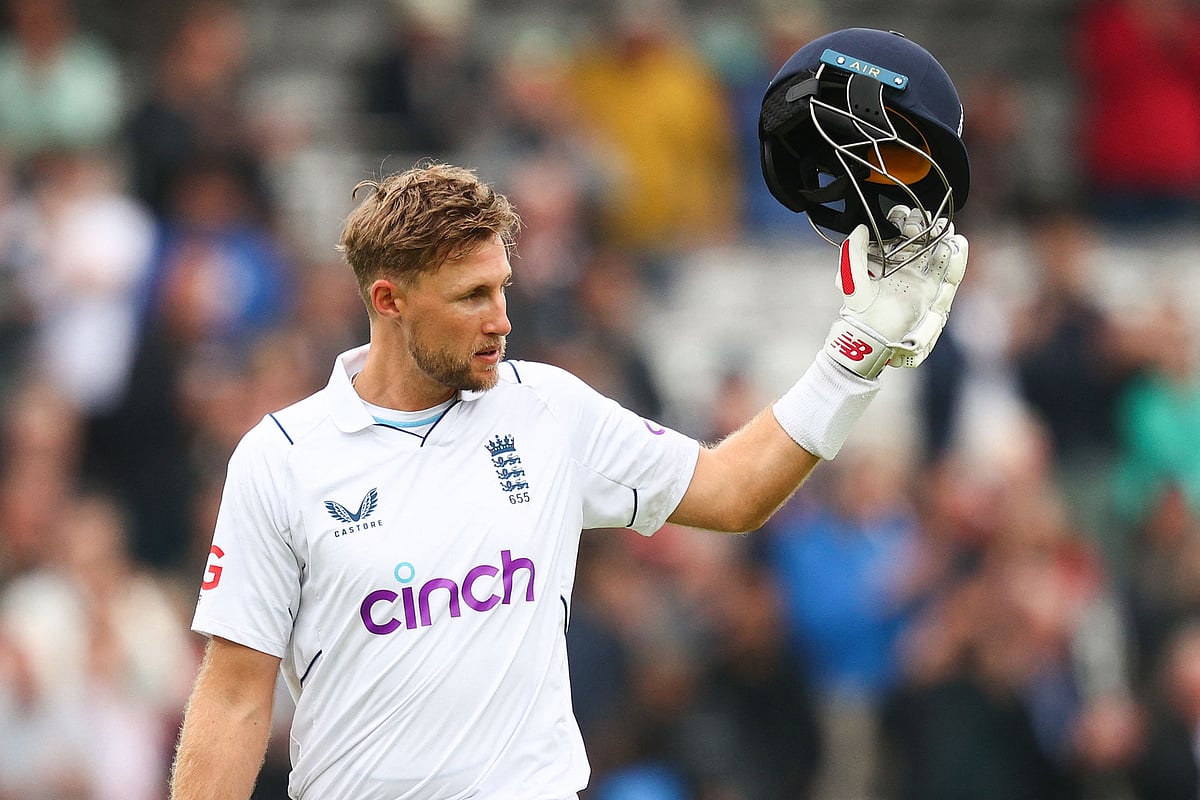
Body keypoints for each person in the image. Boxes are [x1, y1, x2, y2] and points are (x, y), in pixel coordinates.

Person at [169, 27, 970, 800]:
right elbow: (235, 700)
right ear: (389, 302)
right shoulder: (281, 460)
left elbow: (732, 492)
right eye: (471, 298)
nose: (502, 320)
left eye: (504, 288)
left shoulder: (547, 410)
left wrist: (853, 352)